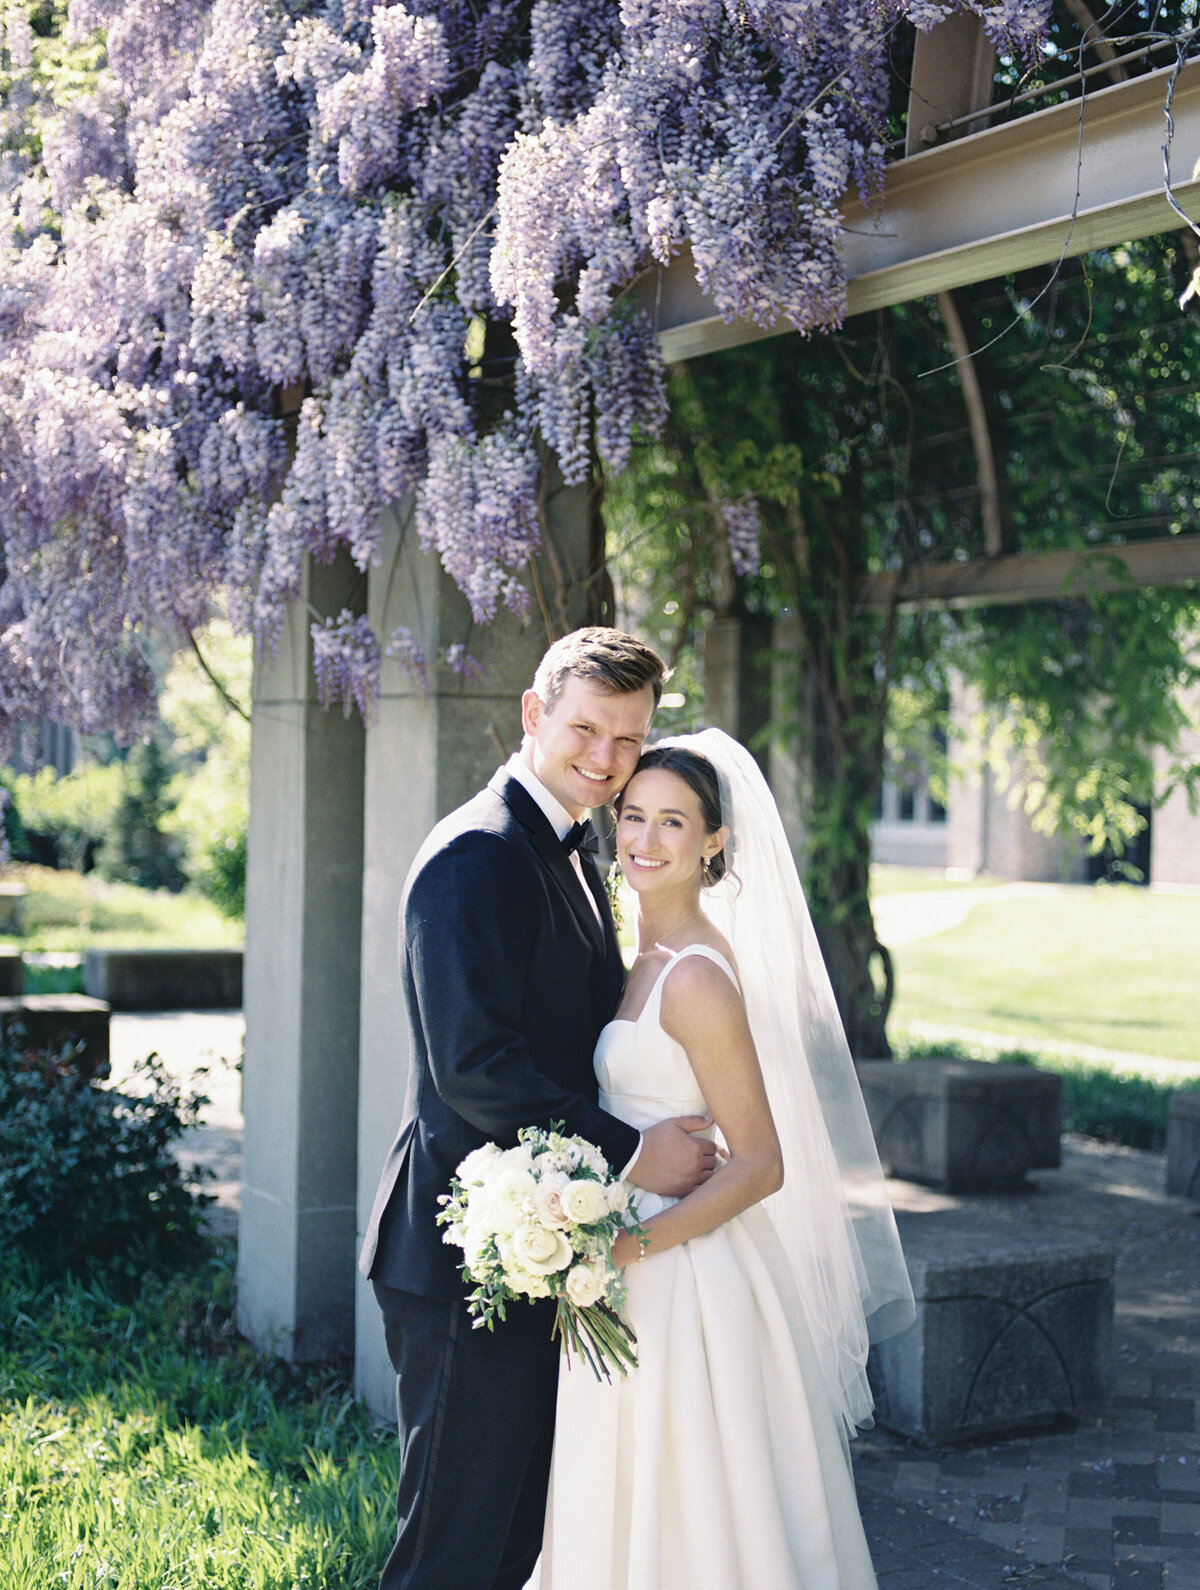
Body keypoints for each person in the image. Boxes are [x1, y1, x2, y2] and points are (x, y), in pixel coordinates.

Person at [358, 628, 721, 1590]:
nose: (606, 757)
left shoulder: (571, 849)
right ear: (533, 714)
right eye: (586, 729)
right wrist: (632, 1151)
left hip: (541, 1249)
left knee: (514, 1542)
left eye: (629, 738)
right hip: (463, 1258)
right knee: (451, 1553)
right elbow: (476, 1069)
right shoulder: (477, 855)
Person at [534, 730, 915, 1590]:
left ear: (714, 842)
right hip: (625, 1257)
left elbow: (761, 1163)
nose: (645, 839)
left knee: (696, 1497)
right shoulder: (641, 957)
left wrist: (630, 1246)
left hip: (684, 1274)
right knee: (624, 1484)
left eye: (673, 822)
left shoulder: (695, 977)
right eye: (634, 815)